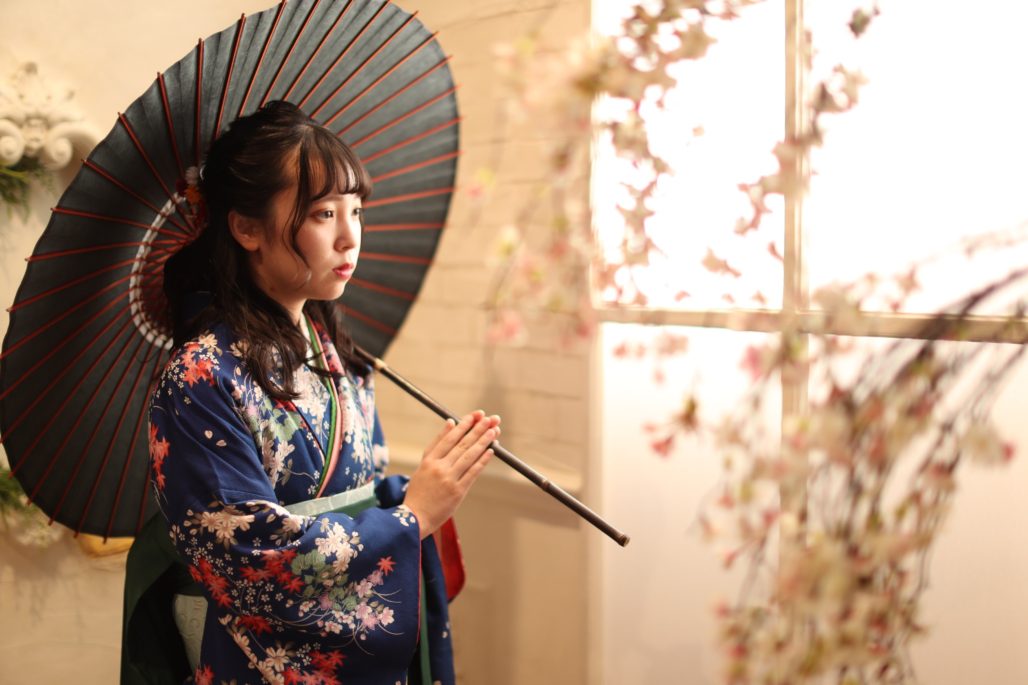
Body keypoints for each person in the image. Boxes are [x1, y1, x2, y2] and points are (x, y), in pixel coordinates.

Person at [121, 100, 498, 685]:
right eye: (323, 214)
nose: (350, 238)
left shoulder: (337, 355)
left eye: (356, 211)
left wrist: (412, 497)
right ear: (246, 228)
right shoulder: (201, 376)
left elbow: (366, 489)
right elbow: (248, 556)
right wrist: (411, 517)